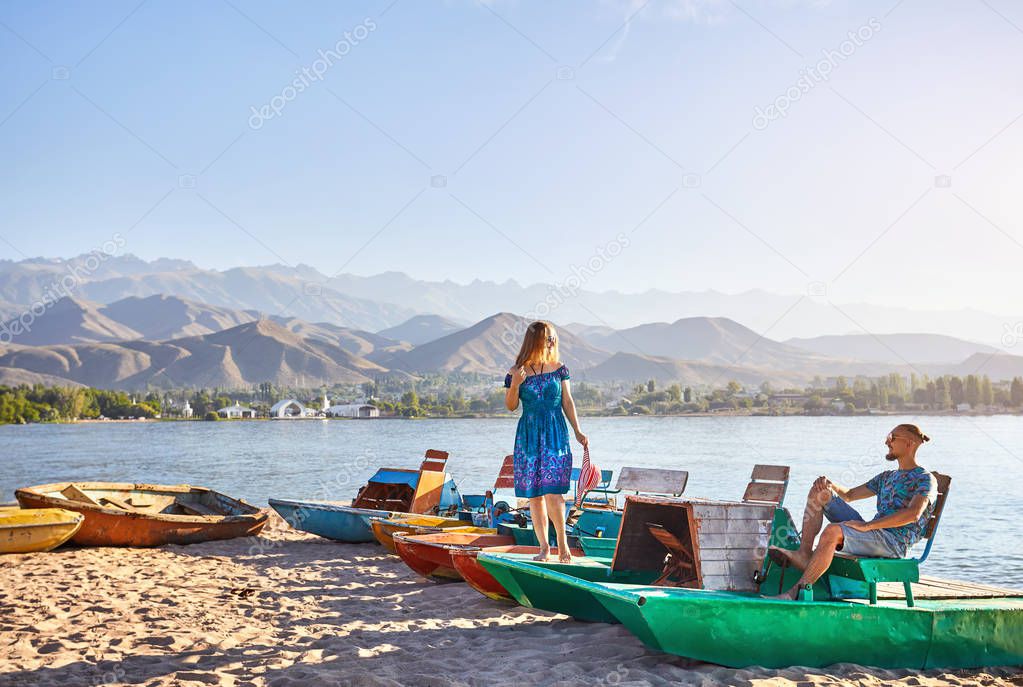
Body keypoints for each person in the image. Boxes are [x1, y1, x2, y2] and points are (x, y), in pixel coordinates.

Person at [767, 423, 939, 600]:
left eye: (893, 438)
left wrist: (867, 526)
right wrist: (829, 484)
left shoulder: (925, 479)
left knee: (833, 531)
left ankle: (796, 592)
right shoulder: (887, 477)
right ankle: (804, 553)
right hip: (875, 533)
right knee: (820, 493)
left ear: (909, 443)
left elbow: (914, 514)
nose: (887, 442)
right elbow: (849, 495)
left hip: (893, 543)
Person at [504, 321, 588, 563]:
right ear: (535, 340)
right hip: (528, 436)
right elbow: (511, 406)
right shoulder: (515, 372)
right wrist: (516, 386)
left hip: (555, 434)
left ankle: (563, 546)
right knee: (535, 495)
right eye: (547, 337)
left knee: (554, 493)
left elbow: (568, 401)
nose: (551, 342)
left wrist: (578, 431)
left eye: (553, 338)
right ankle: (543, 548)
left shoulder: (560, 368)